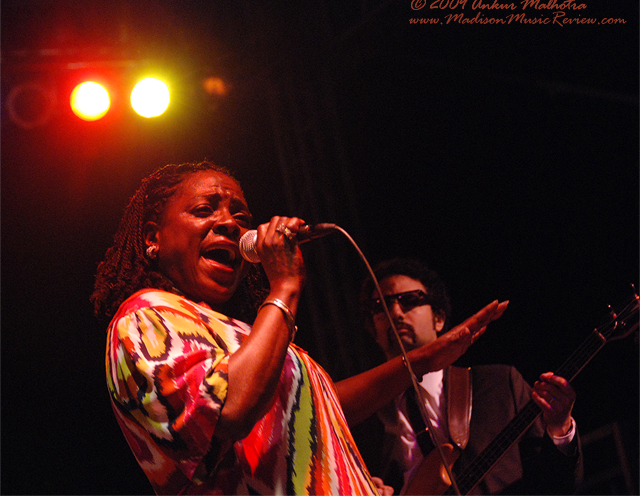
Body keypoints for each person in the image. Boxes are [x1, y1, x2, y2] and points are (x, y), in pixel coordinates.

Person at [91, 162, 507, 495]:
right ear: (152, 238)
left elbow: (318, 409)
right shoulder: (145, 317)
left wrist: (419, 361)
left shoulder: (243, 332)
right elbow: (226, 409)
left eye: (240, 215)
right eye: (204, 210)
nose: (231, 224)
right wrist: (286, 287)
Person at [350, 257, 583, 495]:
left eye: (409, 300)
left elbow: (558, 486)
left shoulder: (499, 385)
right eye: (381, 306)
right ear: (374, 332)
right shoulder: (362, 423)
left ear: (438, 319)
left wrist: (559, 429)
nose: (395, 312)